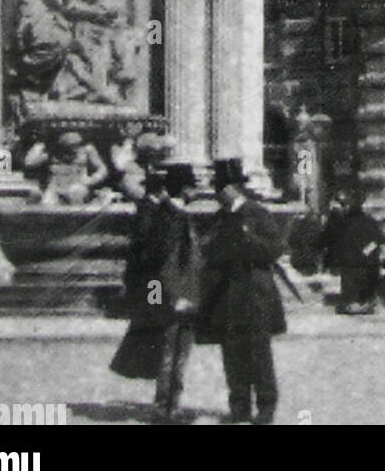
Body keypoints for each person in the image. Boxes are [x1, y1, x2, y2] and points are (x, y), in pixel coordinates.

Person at [110, 163, 202, 422]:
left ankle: (171, 403)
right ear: (185, 189)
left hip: (182, 296)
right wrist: (163, 300)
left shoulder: (175, 215)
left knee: (177, 353)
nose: (196, 191)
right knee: (169, 352)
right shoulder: (167, 217)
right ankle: (165, 407)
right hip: (173, 298)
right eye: (193, 186)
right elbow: (159, 262)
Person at [197, 158, 287, 425]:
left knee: (259, 353)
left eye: (220, 188)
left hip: (255, 294)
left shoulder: (257, 213)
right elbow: (207, 250)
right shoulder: (220, 218)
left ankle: (266, 408)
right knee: (232, 354)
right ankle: (239, 407)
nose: (217, 193)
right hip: (226, 296)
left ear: (233, 188)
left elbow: (275, 248)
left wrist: (249, 240)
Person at [334, 191, 385, 314]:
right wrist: (367, 252)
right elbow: (380, 239)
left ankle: (350, 303)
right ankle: (364, 303)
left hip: (349, 262)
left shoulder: (343, 222)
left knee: (349, 284)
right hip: (366, 262)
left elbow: (337, 243)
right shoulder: (369, 221)